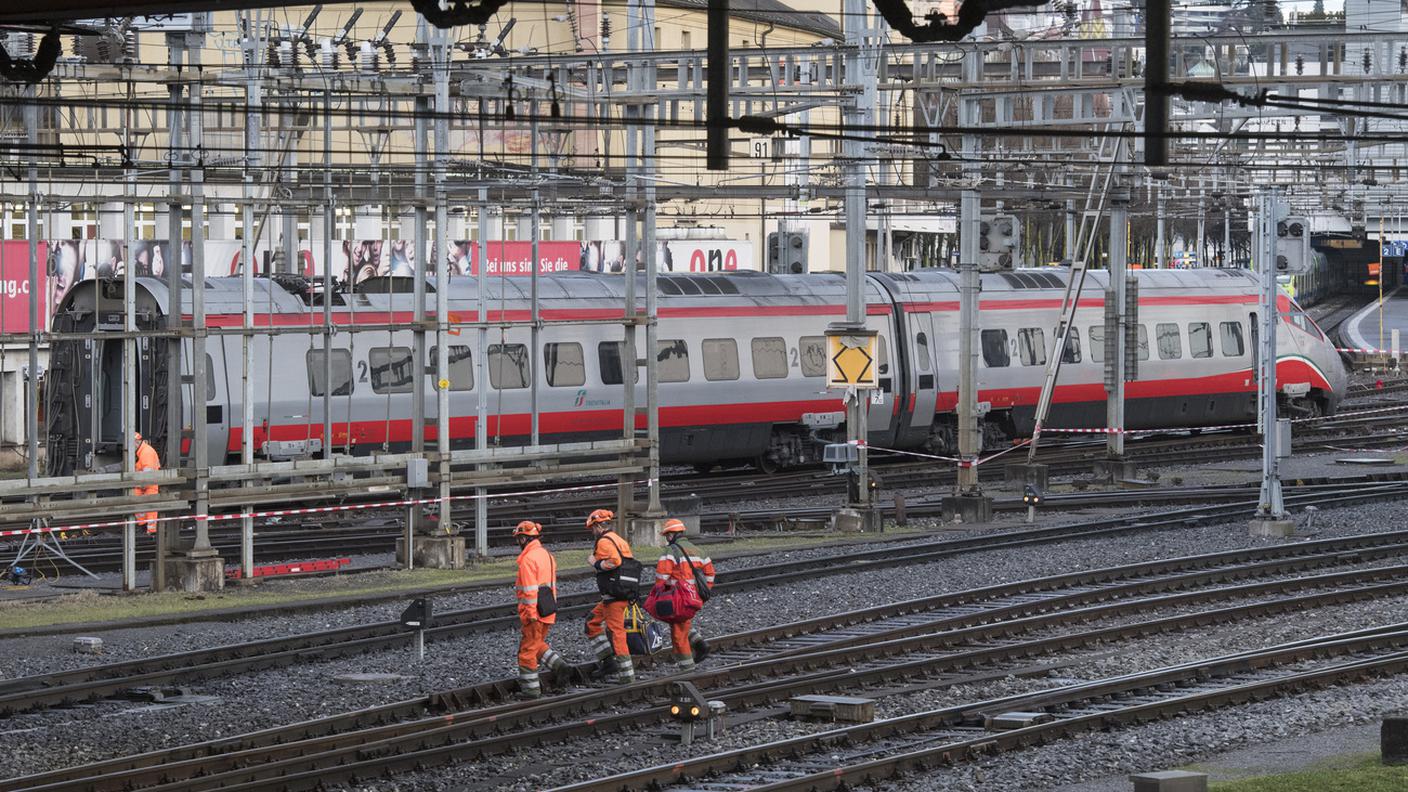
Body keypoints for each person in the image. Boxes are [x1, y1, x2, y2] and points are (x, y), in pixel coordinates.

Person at [513, 520, 567, 699]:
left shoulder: (528, 559)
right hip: (548, 610)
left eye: (519, 539)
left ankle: (530, 691)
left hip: (534, 613)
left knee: (527, 650)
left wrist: (529, 614)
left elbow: (530, 591)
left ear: (523, 539)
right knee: (537, 643)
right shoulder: (546, 555)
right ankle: (559, 666)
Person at [655, 518, 715, 670]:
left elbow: (662, 578)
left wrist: (660, 594)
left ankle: (687, 669)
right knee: (683, 622)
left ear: (672, 535)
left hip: (678, 599)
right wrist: (703, 591)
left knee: (678, 633)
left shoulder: (670, 551)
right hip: (694, 598)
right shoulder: (698, 550)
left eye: (667, 535)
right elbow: (710, 574)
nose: (667, 539)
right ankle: (700, 644)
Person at [584, 508, 635, 684]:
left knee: (616, 633)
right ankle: (608, 662)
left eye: (592, 528)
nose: (592, 532)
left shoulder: (604, 542)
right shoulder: (619, 540)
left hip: (614, 596)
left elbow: (615, 561)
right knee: (592, 622)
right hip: (621, 592)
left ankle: (627, 675)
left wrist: (596, 563)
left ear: (598, 526)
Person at [133, 432, 160, 535]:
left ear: (137, 442)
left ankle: (151, 531)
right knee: (138, 502)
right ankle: (143, 527)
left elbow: (148, 475)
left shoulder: (146, 452)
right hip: (143, 484)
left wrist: (140, 485)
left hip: (150, 484)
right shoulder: (140, 451)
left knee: (150, 508)